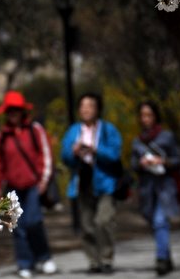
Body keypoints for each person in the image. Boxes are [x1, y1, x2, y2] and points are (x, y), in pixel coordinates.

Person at [0, 91, 57, 278]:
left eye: (16, 110)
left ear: (22, 111)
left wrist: (44, 180)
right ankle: (24, 263)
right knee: (18, 227)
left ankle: (44, 257)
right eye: (9, 111)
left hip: (34, 185)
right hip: (13, 188)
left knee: (34, 222)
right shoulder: (2, 136)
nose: (13, 114)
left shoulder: (35, 130)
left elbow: (46, 155)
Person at [60, 93, 122, 274]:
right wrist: (74, 152)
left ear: (97, 109)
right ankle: (94, 261)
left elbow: (114, 155)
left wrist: (96, 150)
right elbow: (65, 157)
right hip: (82, 182)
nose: (86, 109)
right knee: (87, 225)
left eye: (90, 105)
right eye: (83, 106)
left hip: (105, 182)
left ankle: (107, 258)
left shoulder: (108, 130)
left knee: (103, 220)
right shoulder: (73, 131)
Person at [131, 101, 180, 276]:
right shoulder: (137, 142)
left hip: (165, 186)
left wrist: (163, 161)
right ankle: (167, 258)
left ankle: (161, 259)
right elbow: (133, 166)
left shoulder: (166, 137)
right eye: (143, 115)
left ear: (155, 116)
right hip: (147, 189)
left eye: (149, 115)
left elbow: (178, 160)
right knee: (155, 224)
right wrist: (142, 163)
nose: (146, 119)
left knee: (160, 221)